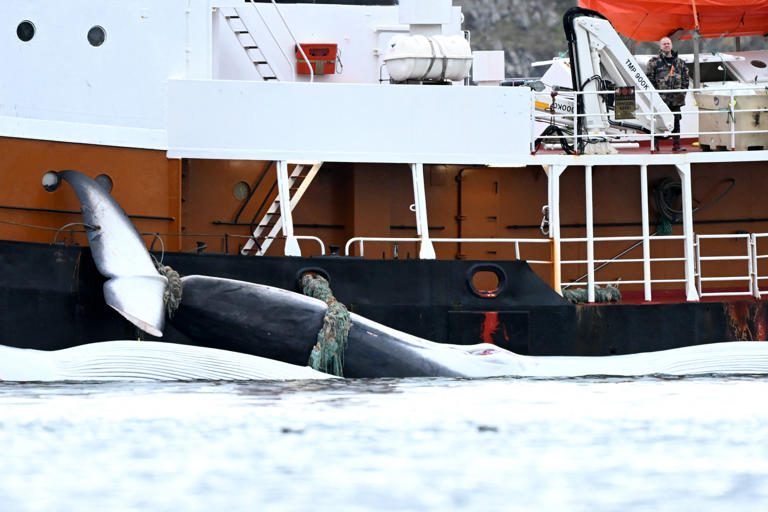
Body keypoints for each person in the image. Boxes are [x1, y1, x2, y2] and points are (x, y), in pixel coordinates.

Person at [646, 37, 690, 152]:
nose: (666, 45)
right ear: (660, 46)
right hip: (660, 98)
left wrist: (682, 93)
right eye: (664, 44)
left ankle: (677, 145)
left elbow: (685, 79)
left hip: (676, 98)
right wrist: (655, 95)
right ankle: (655, 145)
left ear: (671, 45)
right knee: (657, 121)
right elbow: (649, 80)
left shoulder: (680, 62)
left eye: (668, 43)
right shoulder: (654, 62)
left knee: (676, 121)